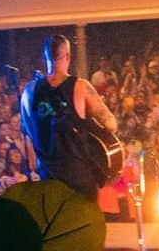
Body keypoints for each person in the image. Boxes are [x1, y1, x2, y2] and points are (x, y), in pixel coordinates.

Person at [20, 33, 120, 201]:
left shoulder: (28, 91)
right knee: (85, 225)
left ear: (45, 57)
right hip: (79, 177)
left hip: (48, 177)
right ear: (68, 56)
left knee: (56, 226)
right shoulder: (80, 87)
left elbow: (29, 132)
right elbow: (110, 124)